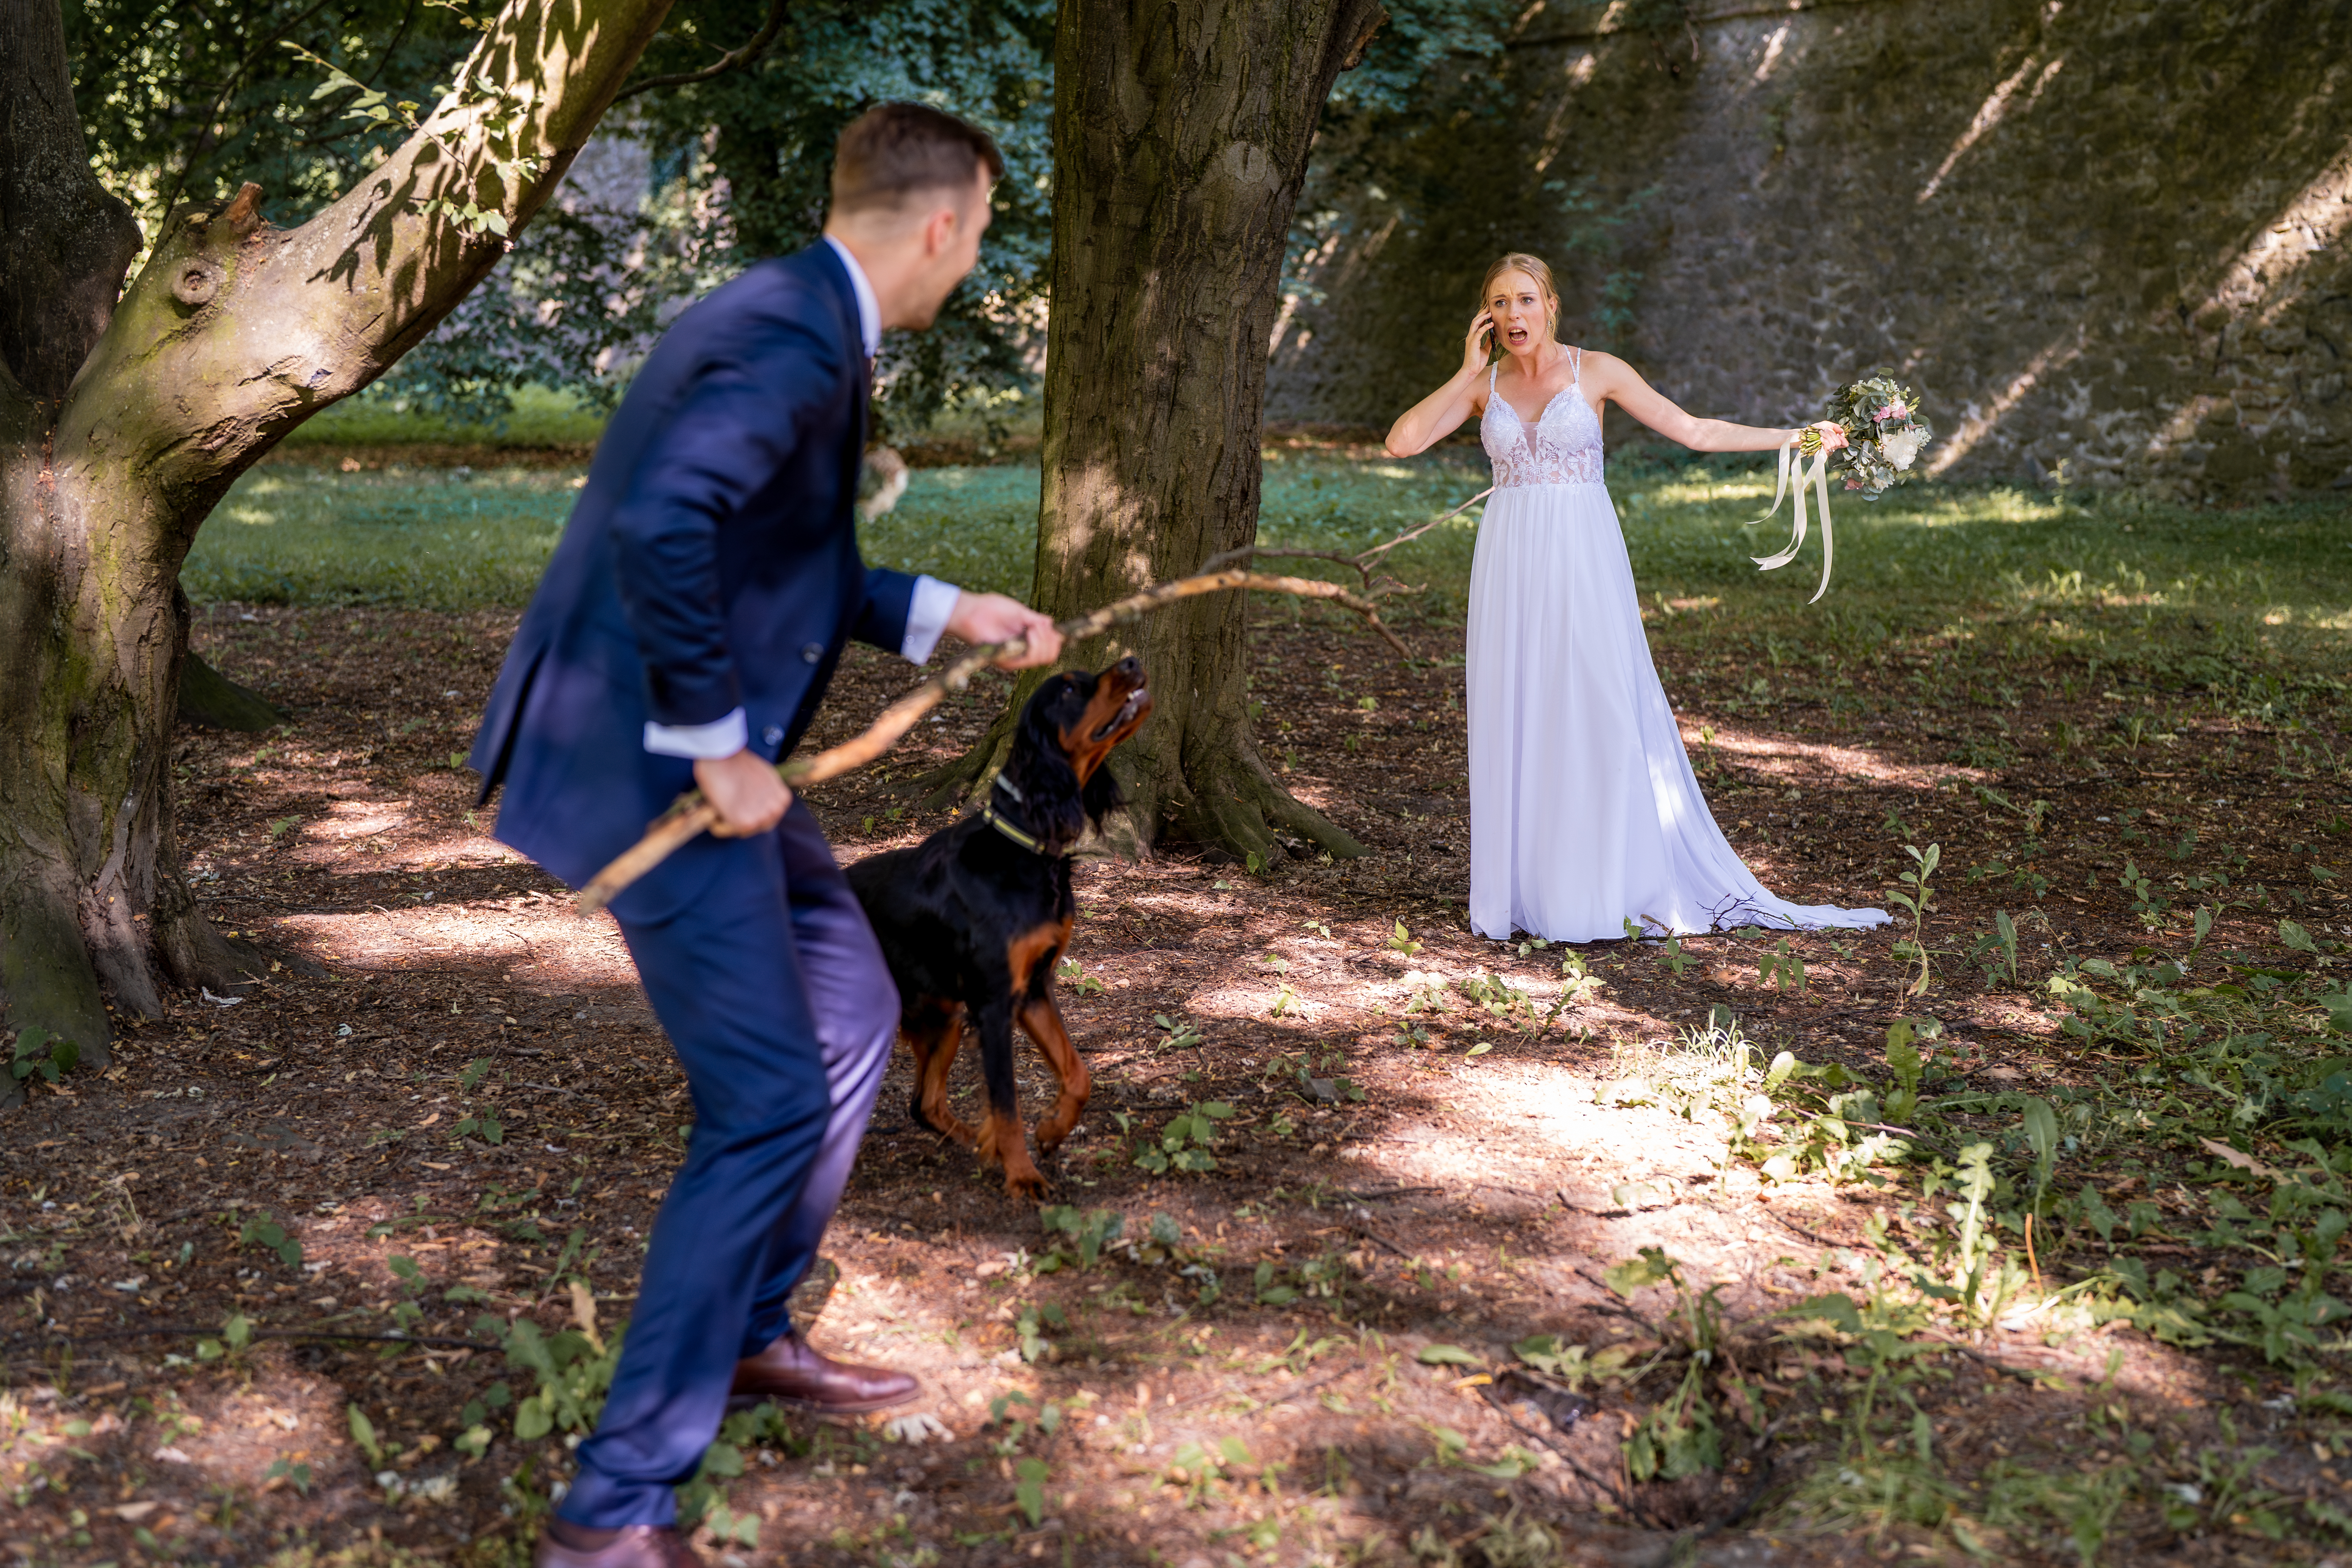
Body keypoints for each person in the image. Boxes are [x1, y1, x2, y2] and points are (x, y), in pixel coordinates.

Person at [467, 103, 1065, 1568]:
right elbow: (664, 526)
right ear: (941, 225)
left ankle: (743, 1332)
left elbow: (787, 559)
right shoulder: (797, 338)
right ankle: (613, 1511)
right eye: (981, 236)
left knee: (857, 1004)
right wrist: (715, 744)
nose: (975, 263)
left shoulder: (796, 313)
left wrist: (941, 614)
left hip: (697, 764)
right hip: (648, 770)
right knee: (766, 1105)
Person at [1384, 252, 1890, 944]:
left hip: (1584, 559)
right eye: (1498, 304)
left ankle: (1605, 887)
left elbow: (1695, 431)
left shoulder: (1598, 371)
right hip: (1508, 566)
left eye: (1525, 300)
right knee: (1520, 710)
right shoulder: (1486, 384)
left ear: (1551, 305)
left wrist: (1798, 438)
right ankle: (1533, 894)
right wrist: (1466, 372)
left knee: (1596, 707)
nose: (1512, 315)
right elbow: (1401, 443)